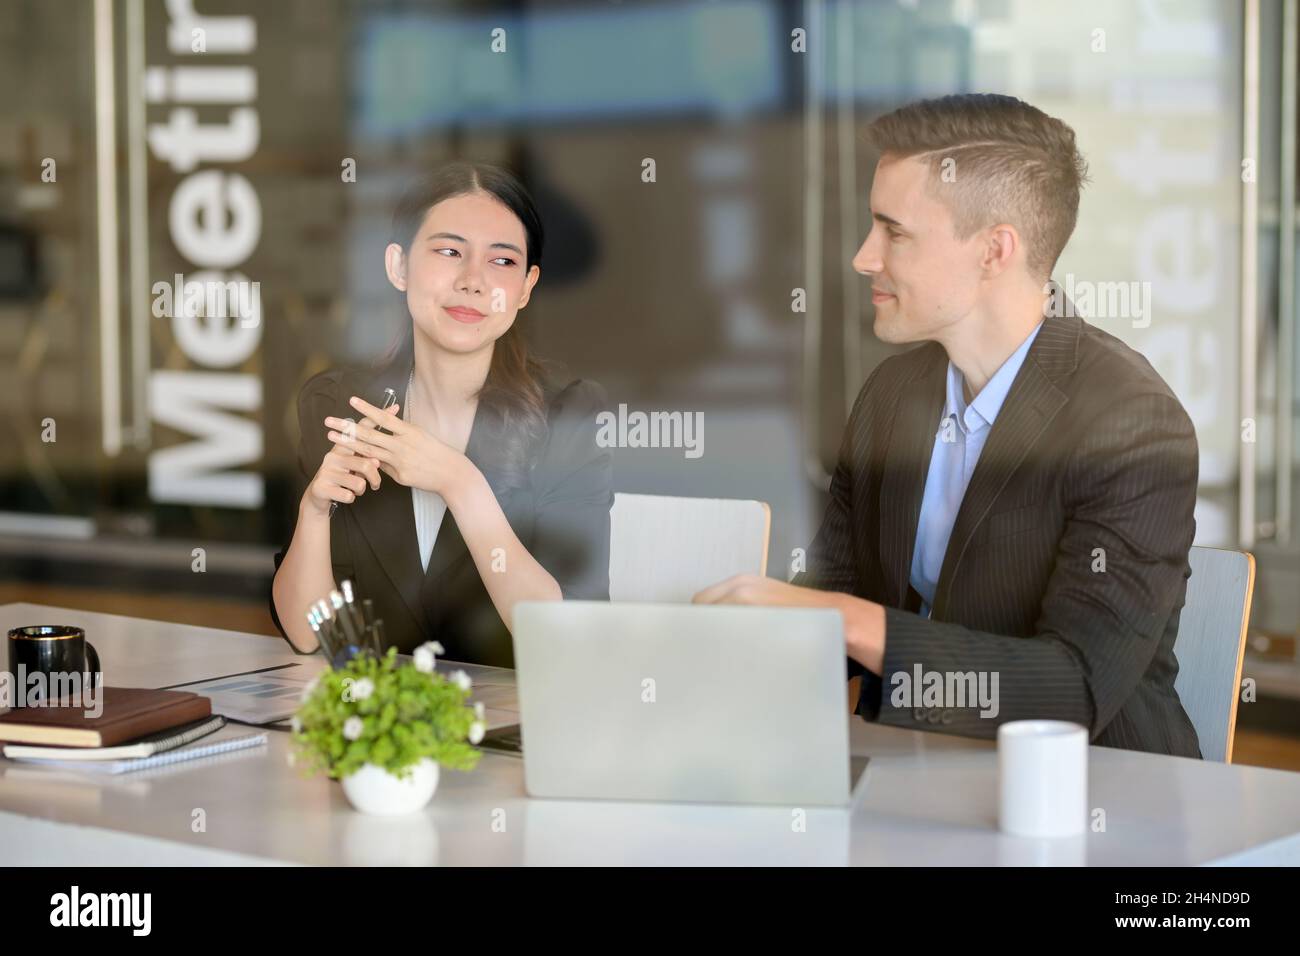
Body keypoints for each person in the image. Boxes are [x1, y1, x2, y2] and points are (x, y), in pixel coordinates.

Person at [694, 94, 1202, 757]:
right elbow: (832, 600)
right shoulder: (890, 394)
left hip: (1106, 807)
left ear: (994, 251)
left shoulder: (1132, 423)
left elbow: (1071, 690)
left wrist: (844, 621)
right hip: (917, 782)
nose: (863, 257)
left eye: (893, 231)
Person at [270, 161, 612, 667]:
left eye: (502, 262)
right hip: (382, 723)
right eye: (450, 252)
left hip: (517, 727)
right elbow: (309, 636)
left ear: (525, 288)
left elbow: (570, 639)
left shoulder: (570, 413)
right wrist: (315, 511)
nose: (473, 281)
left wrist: (460, 482)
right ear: (399, 266)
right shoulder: (338, 404)